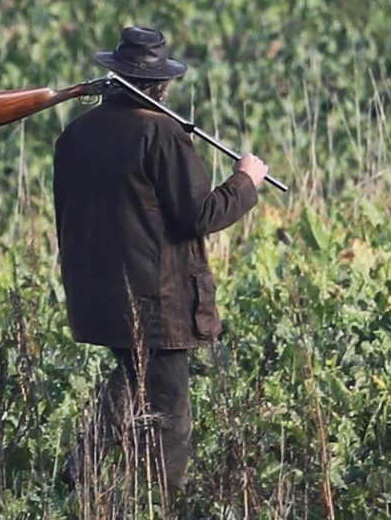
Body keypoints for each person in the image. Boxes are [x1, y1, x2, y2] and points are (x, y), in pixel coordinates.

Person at [53, 26, 268, 496]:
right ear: (162, 85)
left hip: (97, 294)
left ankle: (77, 472)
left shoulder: (76, 134)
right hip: (156, 298)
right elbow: (200, 216)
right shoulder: (162, 133)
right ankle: (157, 501)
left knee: (130, 380)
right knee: (170, 415)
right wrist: (246, 180)